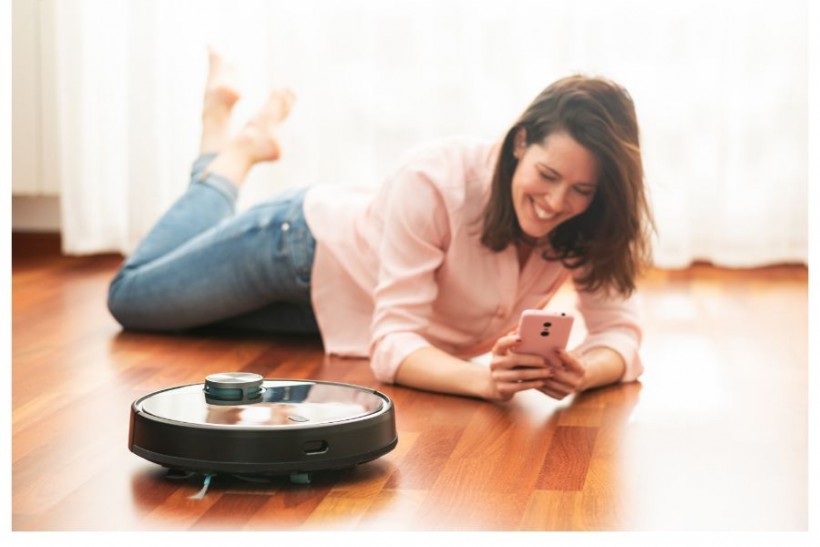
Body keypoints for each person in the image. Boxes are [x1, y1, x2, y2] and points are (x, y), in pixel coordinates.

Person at [107, 48, 655, 403]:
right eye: (548, 175)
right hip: (293, 247)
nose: (557, 202)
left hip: (343, 311)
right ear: (519, 144)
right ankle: (235, 152)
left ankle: (223, 145)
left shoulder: (591, 220)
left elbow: (620, 334)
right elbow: (394, 343)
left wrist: (584, 371)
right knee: (133, 300)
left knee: (189, 326)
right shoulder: (435, 180)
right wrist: (483, 381)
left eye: (582, 191)